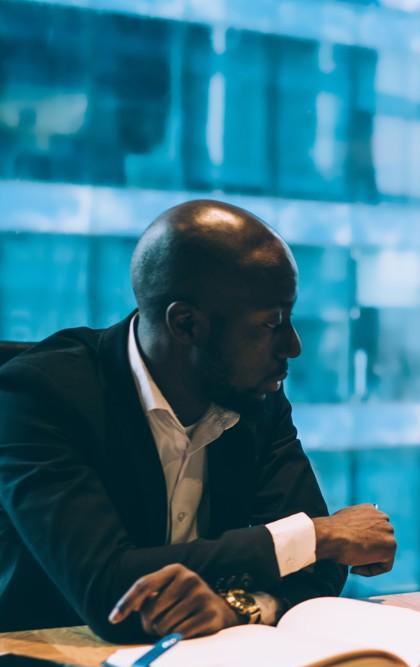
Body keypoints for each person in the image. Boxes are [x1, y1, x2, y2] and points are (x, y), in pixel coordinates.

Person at [0, 200, 397, 642]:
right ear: (187, 324)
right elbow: (110, 590)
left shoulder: (256, 398)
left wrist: (238, 609)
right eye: (272, 323)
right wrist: (316, 536)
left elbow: (318, 572)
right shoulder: (38, 395)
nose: (293, 346)